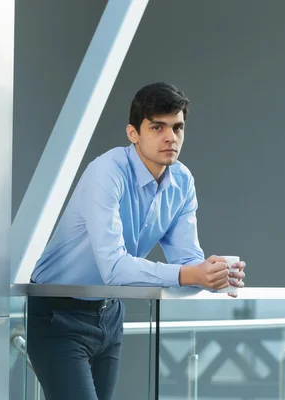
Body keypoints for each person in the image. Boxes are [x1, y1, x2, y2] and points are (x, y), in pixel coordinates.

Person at [26, 82, 247, 400]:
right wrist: (191, 274)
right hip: (57, 313)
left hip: (110, 312)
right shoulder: (107, 172)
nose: (170, 137)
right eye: (157, 127)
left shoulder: (182, 181)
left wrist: (213, 273)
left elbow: (186, 261)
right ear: (133, 133)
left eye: (177, 127)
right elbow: (113, 267)